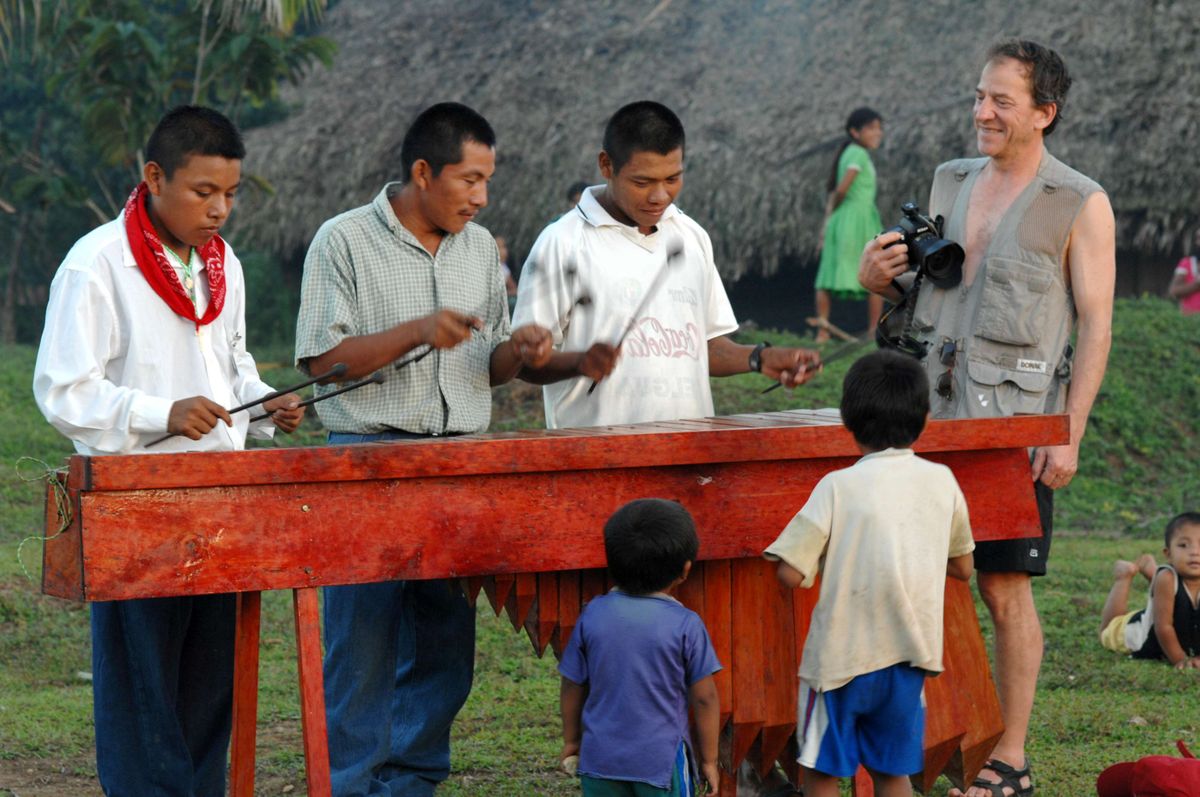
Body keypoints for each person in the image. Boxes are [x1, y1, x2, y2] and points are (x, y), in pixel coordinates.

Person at [857, 39, 1116, 797]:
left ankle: (1010, 754)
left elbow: (1096, 324)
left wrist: (1069, 429)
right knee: (917, 584)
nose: (983, 112)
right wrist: (876, 279)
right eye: (979, 96)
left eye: (1002, 100)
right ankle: (926, 742)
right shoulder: (950, 178)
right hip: (924, 423)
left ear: (1045, 111)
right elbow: (919, 300)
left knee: (1005, 589)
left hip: (1013, 428)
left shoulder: (1079, 201)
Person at [33, 105, 305, 796]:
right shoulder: (97, 263)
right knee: (142, 683)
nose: (220, 209)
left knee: (211, 679)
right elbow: (63, 390)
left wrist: (265, 400)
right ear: (154, 177)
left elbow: (232, 365)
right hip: (136, 504)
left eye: (231, 193)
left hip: (222, 499)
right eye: (203, 191)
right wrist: (162, 412)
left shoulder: (223, 263)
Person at [293, 101, 552, 796]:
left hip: (457, 464)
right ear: (422, 171)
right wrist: (415, 330)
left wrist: (517, 353)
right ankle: (351, 784)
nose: (481, 196)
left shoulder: (480, 247)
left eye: (487, 180)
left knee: (444, 643)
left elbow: (485, 362)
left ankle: (412, 780)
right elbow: (322, 362)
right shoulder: (343, 240)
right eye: (469, 179)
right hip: (365, 459)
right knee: (362, 645)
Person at [512, 100, 821, 430]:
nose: (660, 196)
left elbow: (706, 347)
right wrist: (580, 362)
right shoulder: (562, 242)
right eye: (642, 182)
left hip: (689, 457)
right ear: (606, 165)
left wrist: (760, 357)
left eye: (672, 178)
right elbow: (524, 362)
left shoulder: (691, 236)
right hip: (596, 460)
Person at [763, 350, 975, 797]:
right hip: (907, 663)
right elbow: (963, 566)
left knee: (821, 772)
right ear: (925, 417)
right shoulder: (943, 481)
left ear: (847, 419)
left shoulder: (837, 486)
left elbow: (788, 571)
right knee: (891, 774)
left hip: (839, 663)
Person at [559, 498, 722, 796]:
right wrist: (710, 760)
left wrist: (571, 739)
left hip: (599, 759)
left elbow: (572, 684)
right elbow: (705, 699)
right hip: (660, 765)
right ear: (685, 570)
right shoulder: (686, 624)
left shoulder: (592, 615)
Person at [813, 107, 885, 343]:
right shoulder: (859, 154)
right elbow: (843, 188)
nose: (878, 133)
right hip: (855, 218)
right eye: (871, 128)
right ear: (855, 132)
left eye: (879, 128)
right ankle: (874, 329)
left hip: (847, 217)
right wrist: (840, 208)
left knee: (830, 270)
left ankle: (823, 330)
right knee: (876, 270)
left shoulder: (852, 152)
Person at [1098, 512, 1200, 669]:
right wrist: (1181, 660)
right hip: (1145, 631)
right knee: (1108, 631)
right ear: (1168, 554)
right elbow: (1163, 627)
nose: (1194, 552)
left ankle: (1151, 571)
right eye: (1183, 545)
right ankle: (1124, 576)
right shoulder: (1167, 578)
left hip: (1175, 615)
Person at [1167, 229, 1200, 315]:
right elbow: (1174, 291)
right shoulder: (1186, 263)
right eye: (1198, 238)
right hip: (1190, 320)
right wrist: (1196, 284)